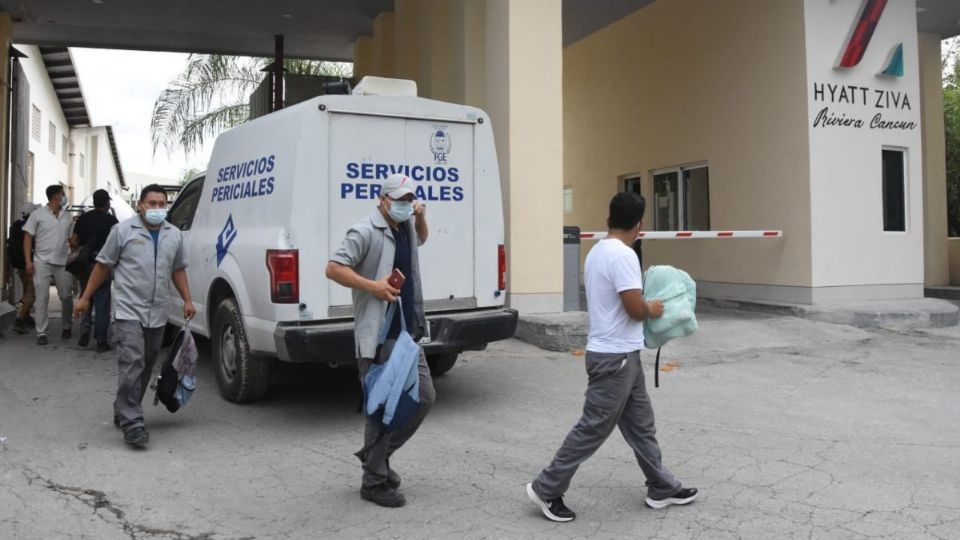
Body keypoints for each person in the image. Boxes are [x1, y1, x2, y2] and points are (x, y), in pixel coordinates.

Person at [526, 192, 698, 522]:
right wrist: (654, 307)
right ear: (640, 224)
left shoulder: (599, 250)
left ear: (608, 219)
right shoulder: (623, 256)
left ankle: (662, 487)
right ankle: (546, 488)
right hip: (614, 359)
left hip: (622, 356)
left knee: (641, 426)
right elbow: (635, 309)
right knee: (592, 428)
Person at [325, 173, 435, 508]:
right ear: (382, 199)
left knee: (425, 396)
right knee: (381, 408)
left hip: (406, 330)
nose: (404, 204)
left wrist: (420, 216)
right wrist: (374, 286)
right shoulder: (365, 230)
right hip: (378, 334)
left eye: (408, 199)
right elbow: (333, 268)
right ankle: (373, 481)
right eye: (399, 199)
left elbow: (423, 239)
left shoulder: (404, 227)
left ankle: (376, 459)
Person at [74, 184, 196, 448]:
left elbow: (178, 269)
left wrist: (187, 299)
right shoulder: (122, 231)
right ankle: (133, 422)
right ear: (140, 205)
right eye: (151, 203)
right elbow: (103, 266)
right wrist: (85, 297)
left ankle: (124, 407)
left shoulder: (174, 235)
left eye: (161, 204)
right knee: (133, 362)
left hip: (158, 312)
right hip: (129, 310)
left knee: (148, 362)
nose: (156, 208)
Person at [23, 185, 75, 345]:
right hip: (41, 261)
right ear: (55, 197)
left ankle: (66, 325)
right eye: (62, 194)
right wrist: (28, 261)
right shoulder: (37, 215)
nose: (65, 197)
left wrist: (74, 248)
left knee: (66, 295)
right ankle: (41, 332)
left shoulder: (68, 217)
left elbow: (72, 240)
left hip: (62, 261)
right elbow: (27, 238)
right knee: (42, 297)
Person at [70, 189, 118, 352]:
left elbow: (74, 242)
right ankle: (101, 339)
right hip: (103, 265)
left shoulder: (83, 219)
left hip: (85, 265)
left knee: (85, 295)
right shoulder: (112, 221)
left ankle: (85, 329)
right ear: (107, 203)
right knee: (102, 301)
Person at [6, 202, 39, 333]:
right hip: (30, 264)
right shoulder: (31, 227)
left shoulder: (16, 226)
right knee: (31, 293)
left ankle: (26, 317)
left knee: (27, 290)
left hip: (19, 265)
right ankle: (19, 320)